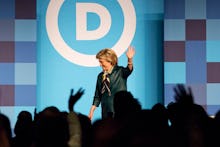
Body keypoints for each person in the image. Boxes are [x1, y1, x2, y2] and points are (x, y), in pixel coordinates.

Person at [88, 46, 135, 120]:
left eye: (101, 61)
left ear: (109, 61)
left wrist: (130, 59)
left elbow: (129, 70)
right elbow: (98, 95)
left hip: (120, 111)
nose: (100, 64)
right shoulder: (100, 76)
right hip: (105, 112)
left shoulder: (120, 71)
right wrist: (92, 110)